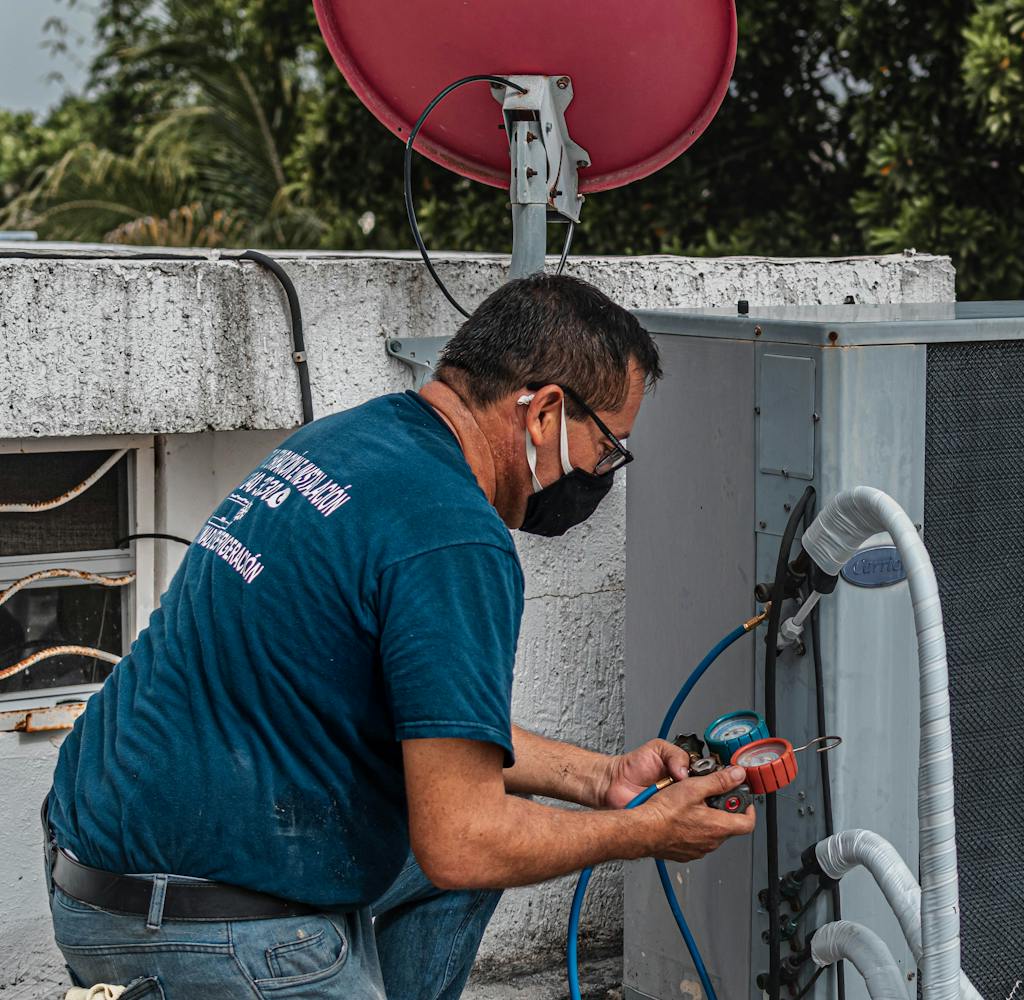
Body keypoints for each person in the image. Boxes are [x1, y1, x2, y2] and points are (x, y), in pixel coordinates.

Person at [43, 274, 755, 999]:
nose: (603, 473)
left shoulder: (349, 441)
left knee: (502, 840)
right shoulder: (455, 538)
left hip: (99, 864)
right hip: (201, 923)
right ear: (544, 413)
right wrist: (648, 833)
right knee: (486, 843)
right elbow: (463, 842)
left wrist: (603, 780)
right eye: (608, 447)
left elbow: (439, 739)